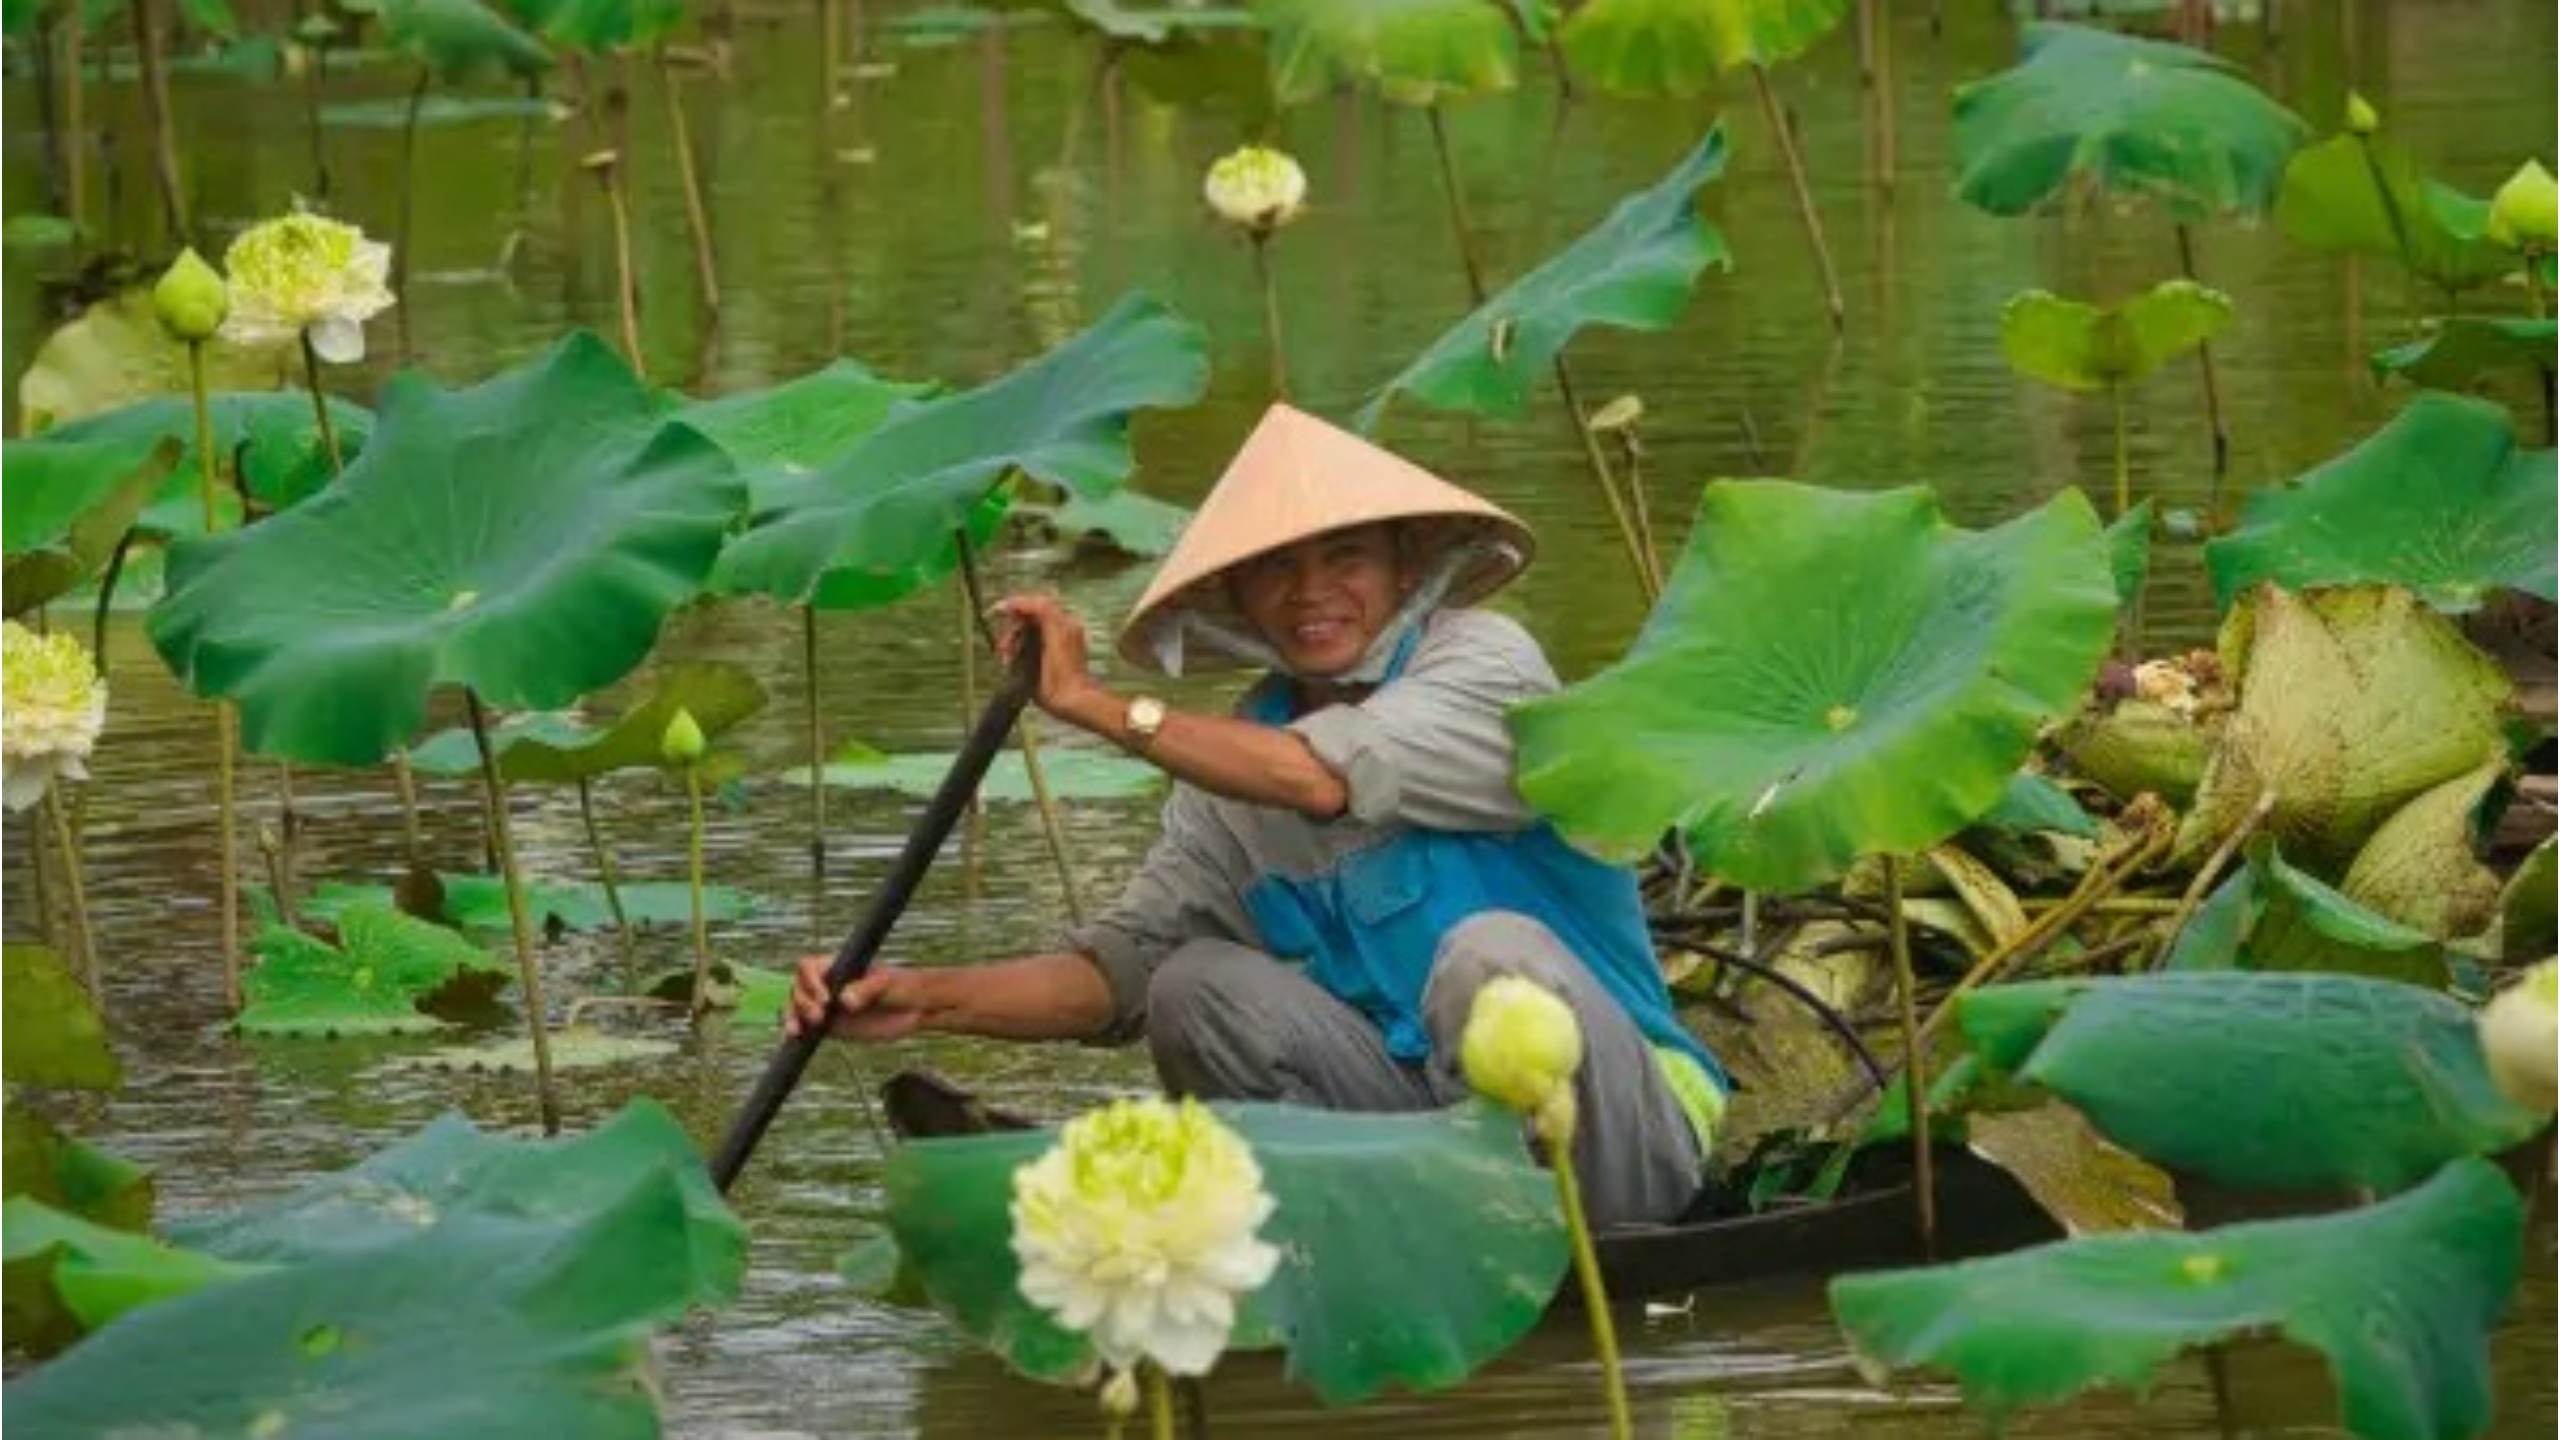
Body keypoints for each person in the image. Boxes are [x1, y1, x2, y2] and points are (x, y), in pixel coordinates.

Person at [787, 402, 1727, 1226]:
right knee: (1193, 985)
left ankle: (1529, 1231)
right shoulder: (1230, 767)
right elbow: (1118, 974)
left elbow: (1321, 777)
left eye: (1345, 556)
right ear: (1236, 597)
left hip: (1620, 1138)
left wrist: (1095, 706)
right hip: (1434, 1157)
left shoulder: (1486, 665)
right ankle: (1376, 1231)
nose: (1310, 592)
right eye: (1275, 567)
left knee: (1491, 963)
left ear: (1405, 563)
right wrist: (923, 996)